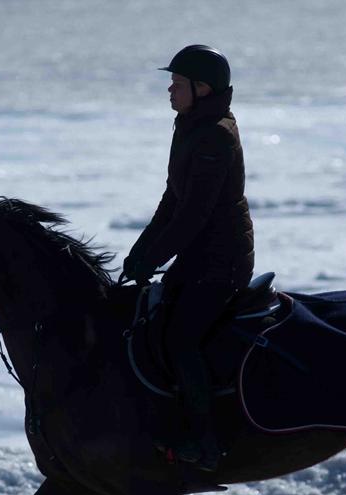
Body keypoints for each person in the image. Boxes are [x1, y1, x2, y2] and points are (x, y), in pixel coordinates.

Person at [123, 44, 255, 471]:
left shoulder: (215, 133)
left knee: (181, 338)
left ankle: (206, 439)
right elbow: (172, 200)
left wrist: (155, 256)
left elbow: (195, 214)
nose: (169, 89)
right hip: (197, 258)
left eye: (178, 83)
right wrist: (141, 251)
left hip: (222, 262)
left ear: (202, 88)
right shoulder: (189, 126)